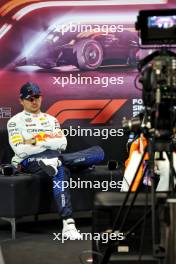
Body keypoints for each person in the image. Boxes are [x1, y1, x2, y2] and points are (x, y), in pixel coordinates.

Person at [7, 82, 104, 239]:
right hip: (29, 160)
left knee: (98, 153)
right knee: (60, 167)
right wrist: (46, 139)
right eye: (29, 98)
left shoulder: (51, 120)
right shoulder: (14, 122)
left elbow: (62, 144)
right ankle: (68, 223)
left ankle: (56, 161)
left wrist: (34, 140)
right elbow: (21, 149)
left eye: (37, 97)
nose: (34, 101)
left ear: (41, 98)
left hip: (55, 157)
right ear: (21, 101)